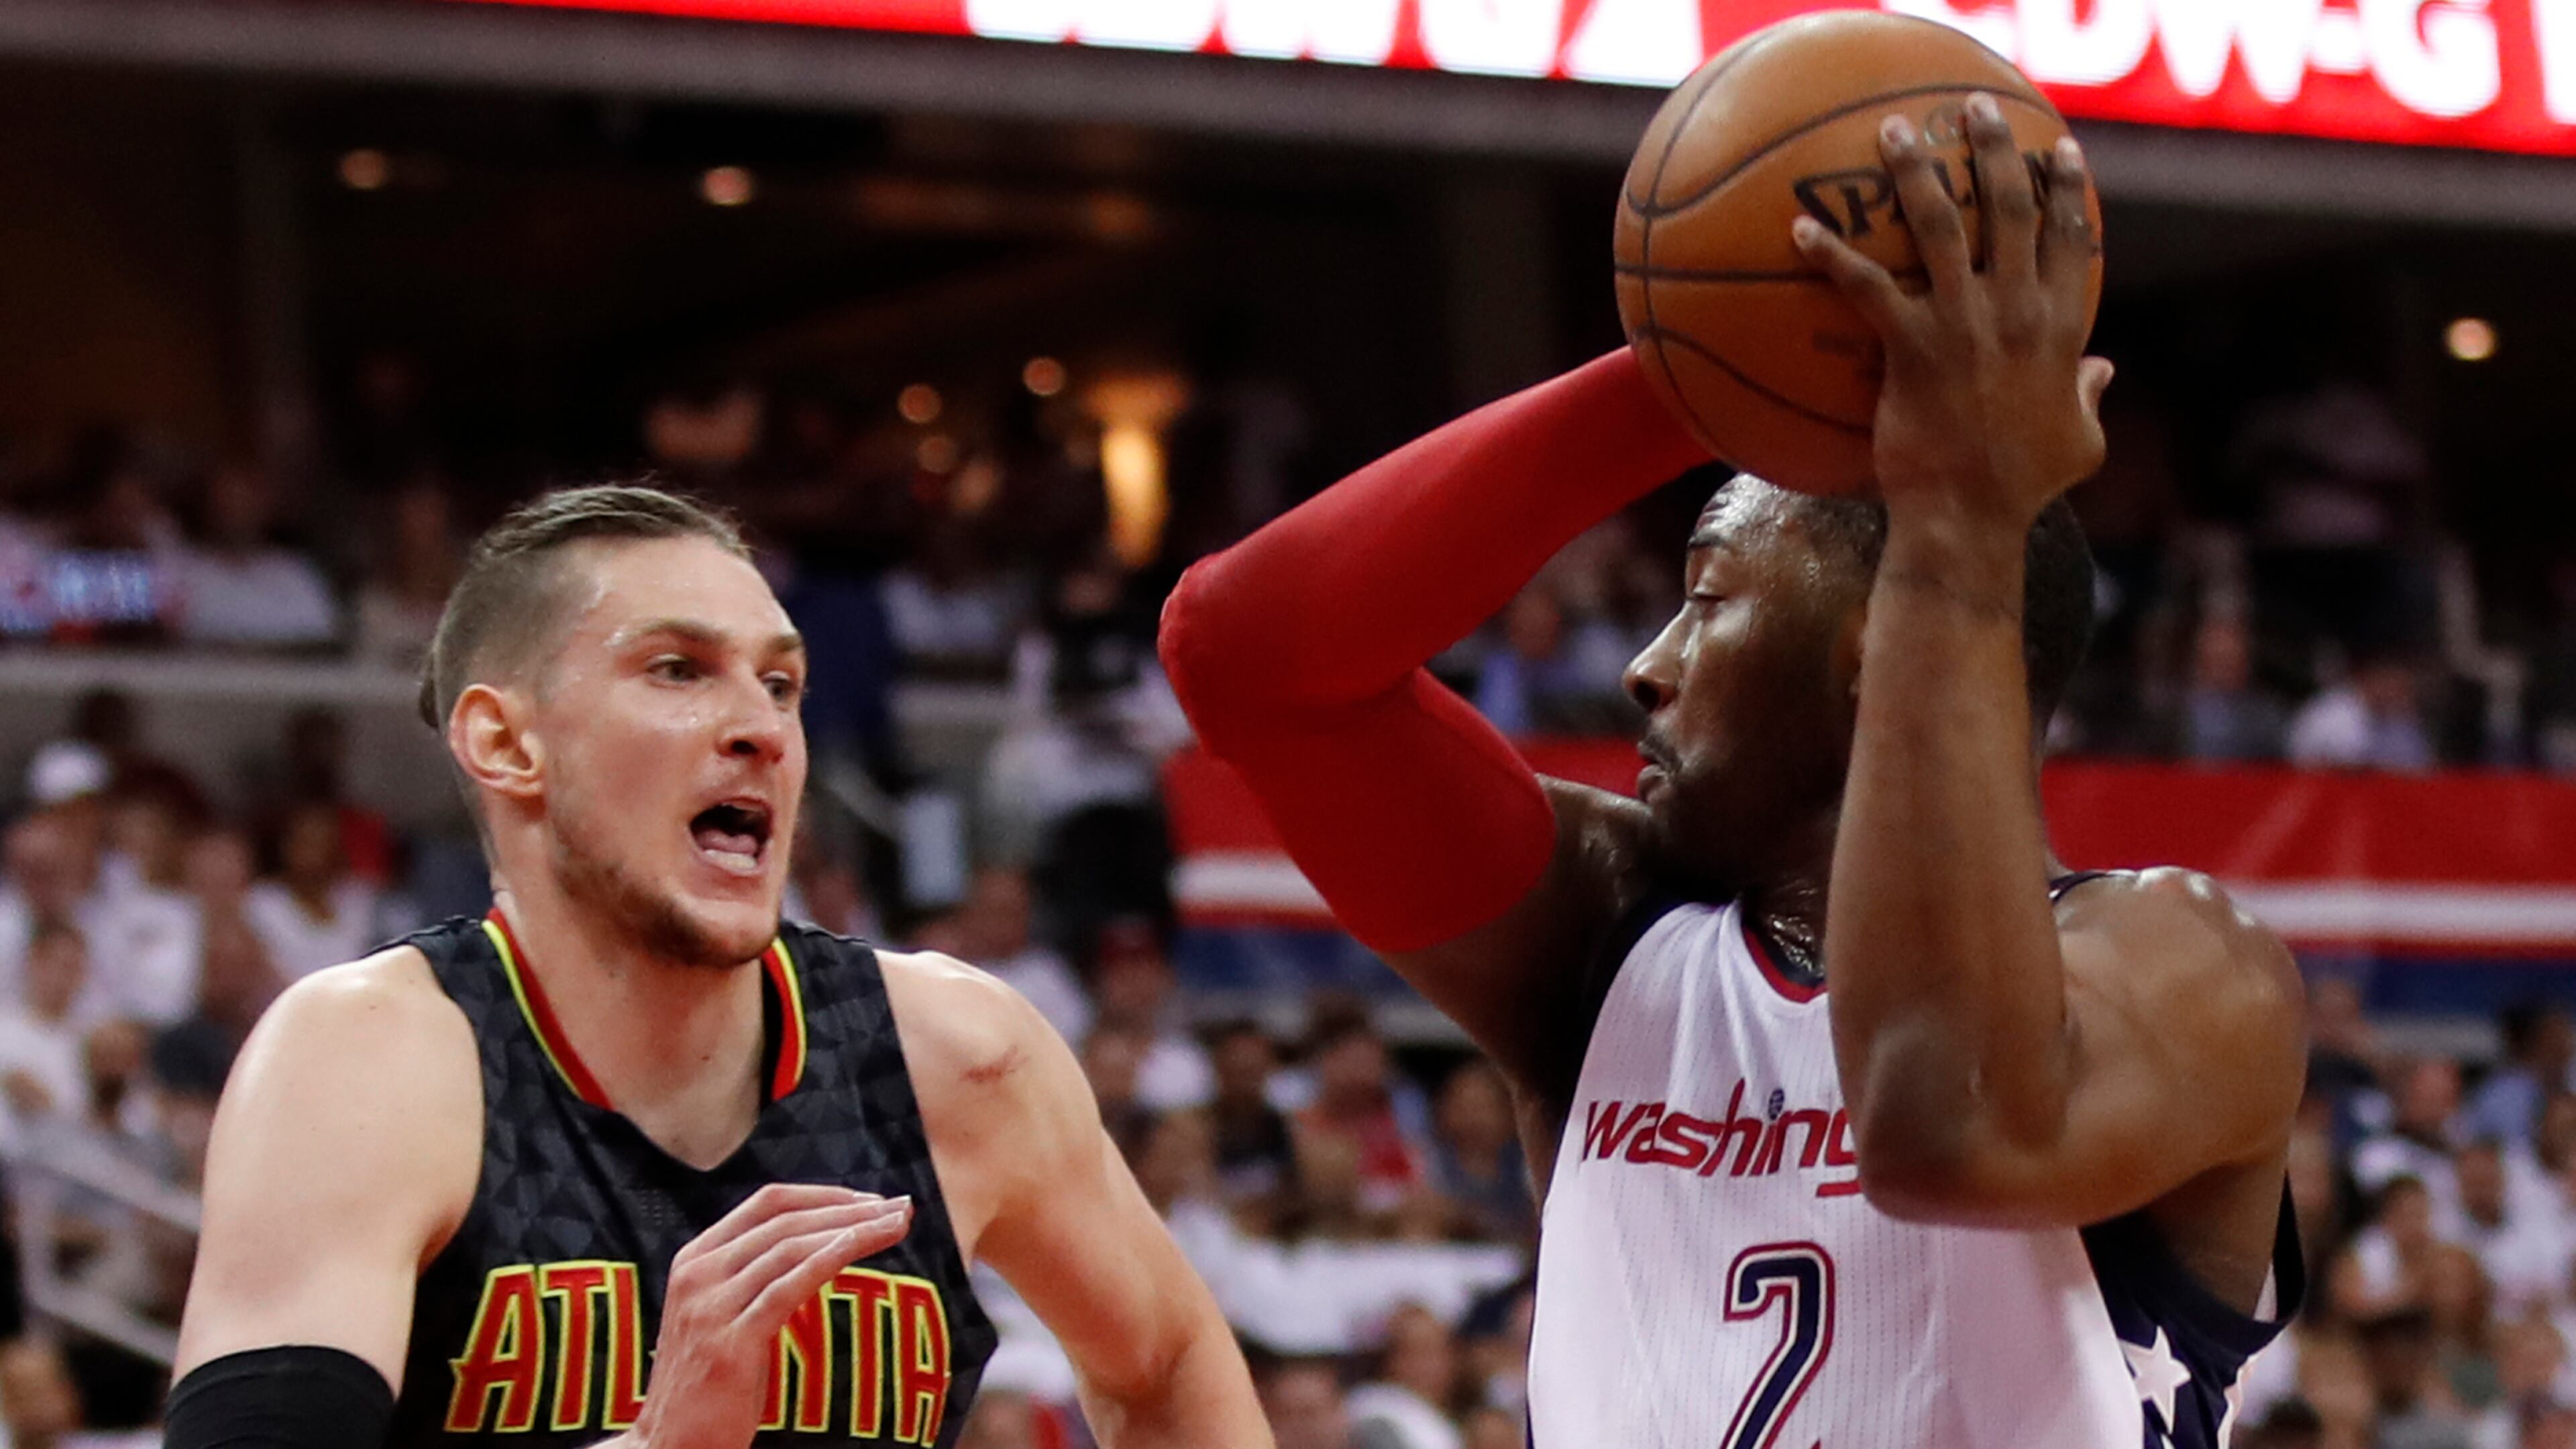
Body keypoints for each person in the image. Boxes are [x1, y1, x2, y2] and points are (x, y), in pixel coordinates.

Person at [1160, 100, 2304, 1448]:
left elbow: (1950, 1125)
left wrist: (1960, 523)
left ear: (1879, 641)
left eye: (1706, 596)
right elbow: (1248, 653)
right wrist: (1702, 366)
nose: (1648, 665)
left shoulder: (2187, 964)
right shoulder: (1606, 936)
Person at [166, 486, 1266, 1448]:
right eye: (679, 669)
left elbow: (1168, 1368)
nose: (761, 728)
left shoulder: (954, 1056)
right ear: (507, 744)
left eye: (781, 685)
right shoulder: (363, 1063)